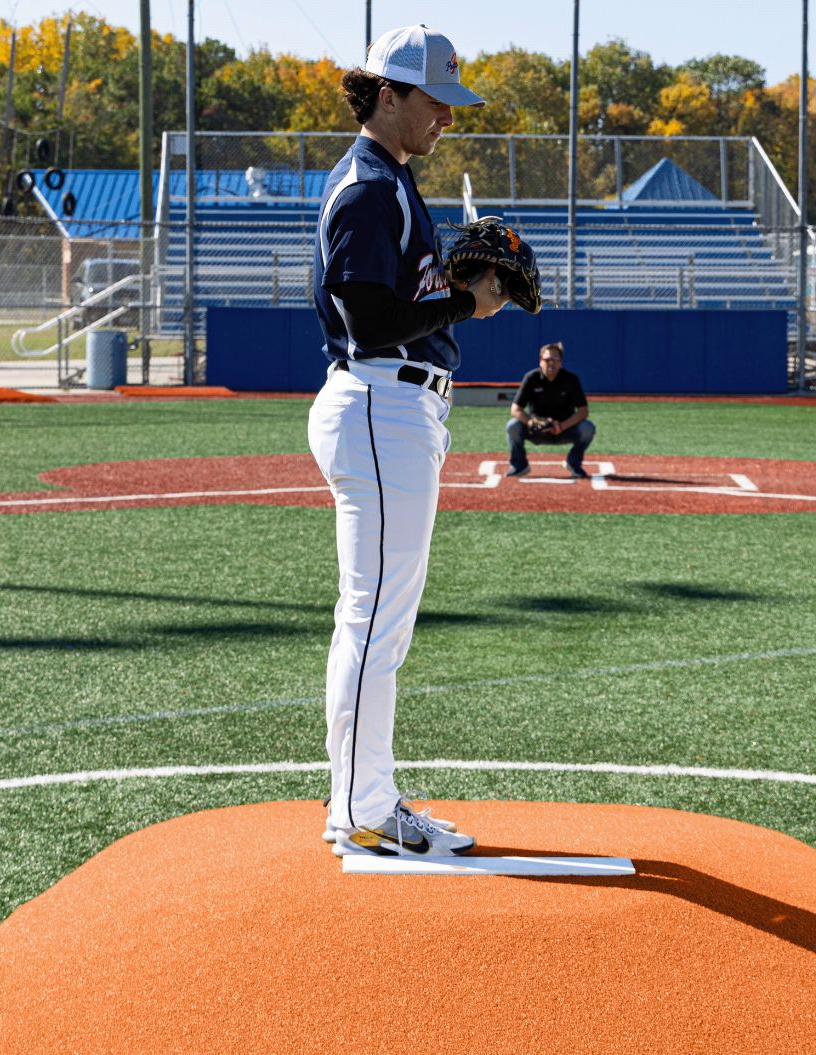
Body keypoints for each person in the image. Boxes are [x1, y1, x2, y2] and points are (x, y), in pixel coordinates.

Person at [307, 25, 508, 859]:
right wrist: (468, 306)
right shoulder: (368, 188)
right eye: (435, 101)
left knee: (377, 618)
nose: (446, 120)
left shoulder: (392, 183)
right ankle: (362, 806)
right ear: (386, 94)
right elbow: (369, 323)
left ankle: (361, 797)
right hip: (380, 405)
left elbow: (391, 301)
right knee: (374, 621)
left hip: (396, 409)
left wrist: (452, 287)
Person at [506, 342, 595, 478]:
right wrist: (531, 422)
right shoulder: (531, 378)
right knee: (512, 426)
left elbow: (583, 411)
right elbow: (515, 409)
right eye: (547, 360)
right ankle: (519, 465)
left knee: (587, 428)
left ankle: (573, 462)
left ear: (561, 363)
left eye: (555, 360)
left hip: (564, 429)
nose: (551, 363)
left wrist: (561, 426)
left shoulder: (570, 379)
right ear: (540, 361)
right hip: (536, 430)